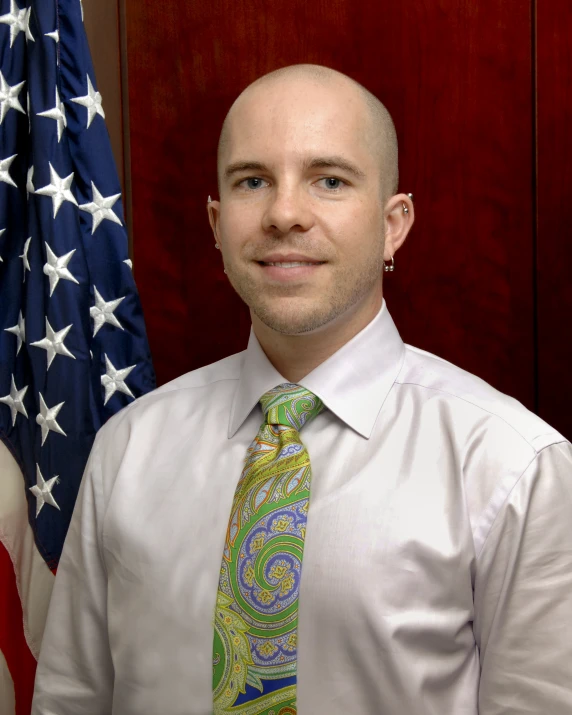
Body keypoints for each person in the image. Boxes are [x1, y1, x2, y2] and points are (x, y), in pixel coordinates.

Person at [32, 64, 572, 715]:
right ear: (216, 220)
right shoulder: (128, 449)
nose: (285, 213)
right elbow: (71, 698)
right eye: (253, 180)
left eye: (330, 180)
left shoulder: (512, 467)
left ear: (393, 223)